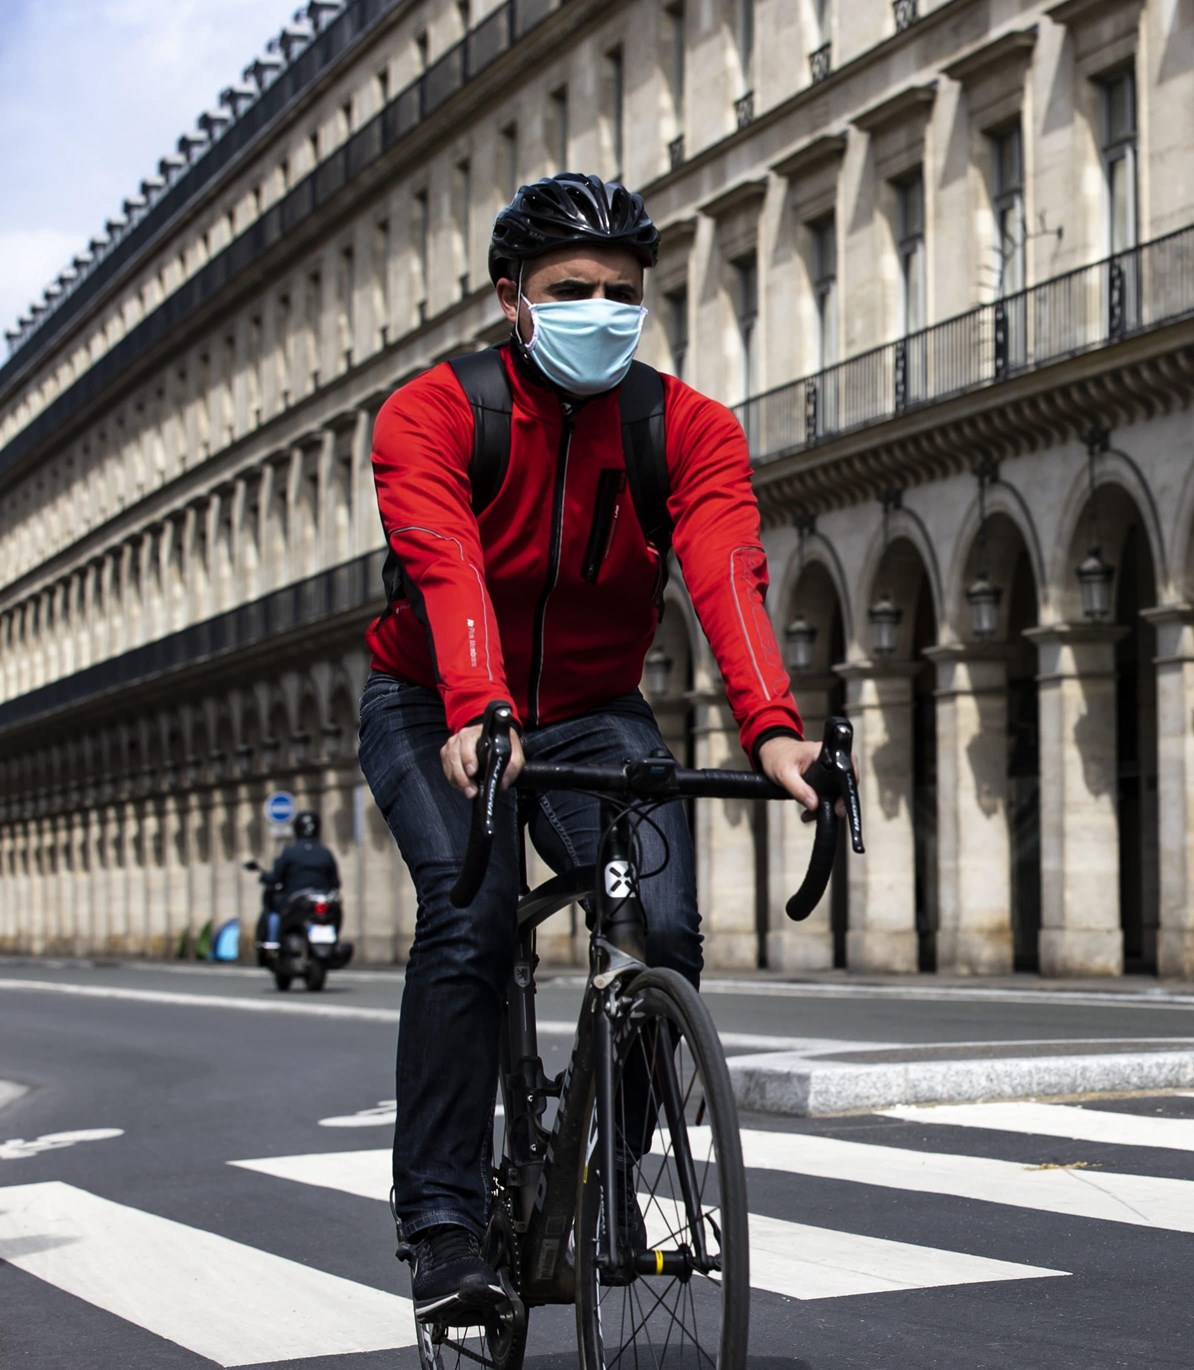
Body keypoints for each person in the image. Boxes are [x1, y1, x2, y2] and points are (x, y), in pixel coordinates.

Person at [357, 172, 824, 1321]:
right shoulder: (430, 413)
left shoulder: (688, 430)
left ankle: (608, 1151)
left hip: (592, 705)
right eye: (573, 289)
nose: (602, 310)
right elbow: (443, 563)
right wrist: (475, 702)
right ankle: (446, 1222)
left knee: (657, 921)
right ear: (512, 295)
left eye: (623, 292)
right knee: (468, 914)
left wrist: (772, 727)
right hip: (429, 697)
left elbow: (725, 570)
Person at [254, 810, 340, 949]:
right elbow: (335, 882)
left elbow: (276, 877)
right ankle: (335, 941)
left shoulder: (290, 852)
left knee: (274, 913)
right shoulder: (325, 853)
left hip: (295, 898)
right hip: (322, 898)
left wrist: (264, 876)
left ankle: (272, 944)